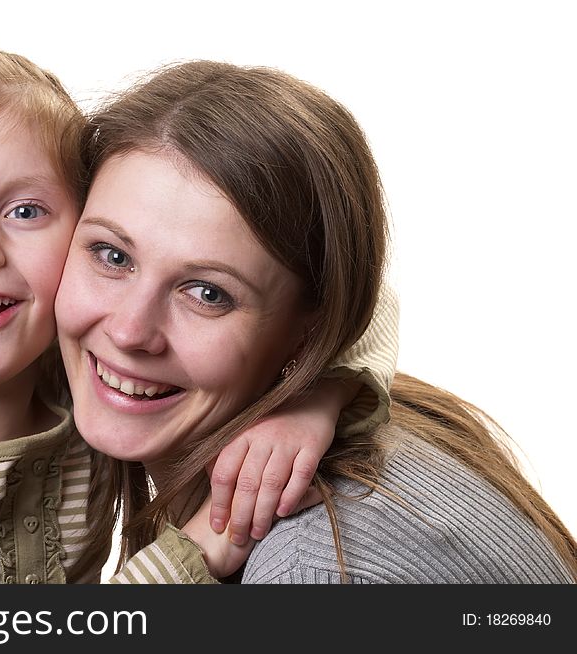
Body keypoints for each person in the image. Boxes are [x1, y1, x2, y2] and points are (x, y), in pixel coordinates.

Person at [0, 43, 399, 584]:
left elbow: (361, 305)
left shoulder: (77, 375)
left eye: (26, 211)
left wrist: (314, 397)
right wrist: (194, 554)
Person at [56, 60, 577, 583]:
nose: (128, 332)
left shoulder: (313, 567)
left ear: (312, 331)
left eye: (208, 293)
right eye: (112, 256)